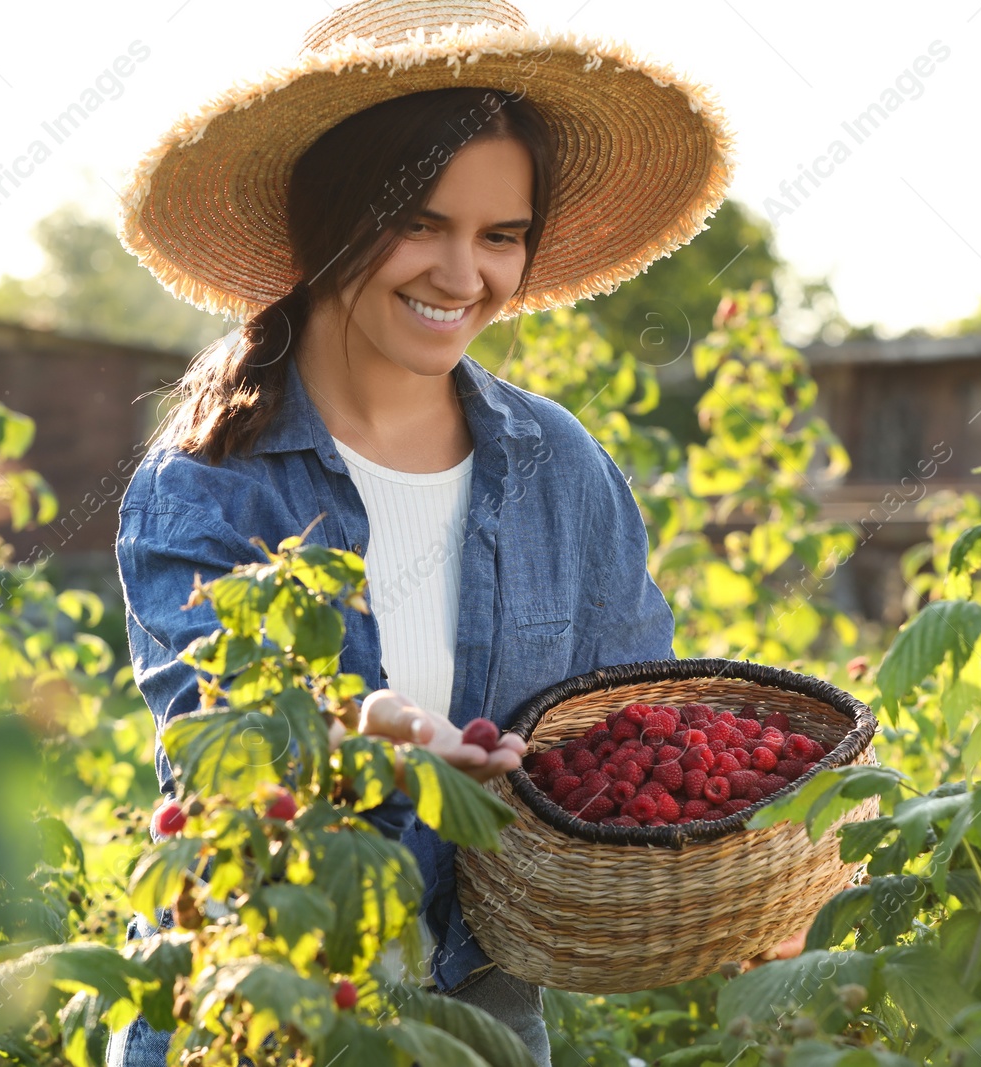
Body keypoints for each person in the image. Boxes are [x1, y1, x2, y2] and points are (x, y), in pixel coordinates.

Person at [108, 2, 739, 1064]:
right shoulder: (205, 481)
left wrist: (737, 853)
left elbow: (633, 721)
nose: (462, 276)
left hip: (478, 1019)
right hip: (258, 1003)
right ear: (331, 218)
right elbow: (216, 745)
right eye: (420, 221)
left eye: (500, 236)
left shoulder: (558, 464)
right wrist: (373, 743)